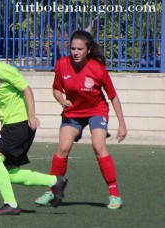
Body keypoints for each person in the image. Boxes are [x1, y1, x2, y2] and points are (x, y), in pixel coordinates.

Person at [0, 41, 68, 215]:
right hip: (12, 124)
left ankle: (11, 204)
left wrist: (31, 115)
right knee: (11, 173)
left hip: (20, 122)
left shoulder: (1, 69)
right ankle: (55, 181)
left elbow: (26, 89)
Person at [35, 30, 127, 210]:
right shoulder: (62, 64)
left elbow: (113, 97)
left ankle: (115, 195)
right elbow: (56, 89)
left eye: (79, 49)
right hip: (73, 113)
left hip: (96, 110)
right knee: (63, 148)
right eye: (72, 48)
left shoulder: (98, 69)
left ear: (88, 50)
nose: (75, 52)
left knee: (98, 146)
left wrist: (122, 124)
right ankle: (52, 191)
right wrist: (61, 100)